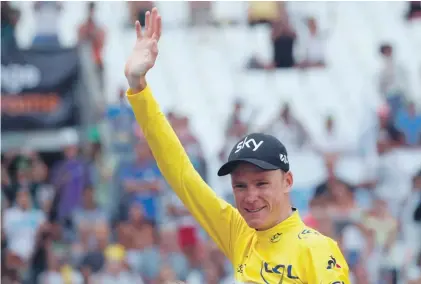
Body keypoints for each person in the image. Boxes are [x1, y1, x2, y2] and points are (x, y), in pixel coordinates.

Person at [124, 8, 350, 283]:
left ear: (287, 181)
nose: (250, 195)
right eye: (240, 185)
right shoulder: (239, 232)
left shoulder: (317, 249)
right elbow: (180, 173)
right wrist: (139, 87)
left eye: (261, 183)